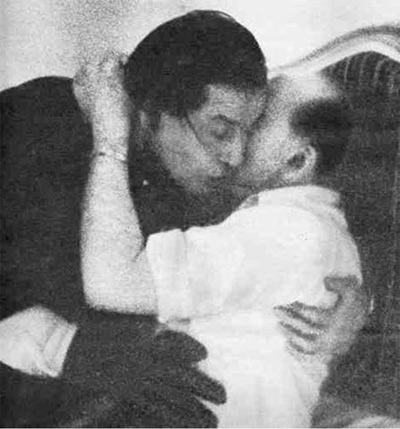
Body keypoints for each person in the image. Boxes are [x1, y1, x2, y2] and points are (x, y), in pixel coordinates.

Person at [0, 10, 368, 428]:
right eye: (221, 131)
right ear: (156, 108)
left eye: (249, 132)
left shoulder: (205, 184)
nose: (235, 157)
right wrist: (66, 348)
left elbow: (290, 253)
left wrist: (350, 306)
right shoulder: (30, 122)